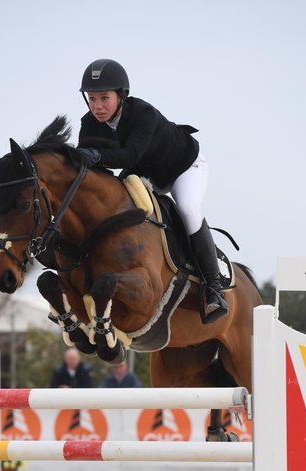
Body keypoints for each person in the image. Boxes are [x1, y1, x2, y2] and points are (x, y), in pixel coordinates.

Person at [77, 58, 228, 324]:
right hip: (145, 172)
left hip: (183, 167)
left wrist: (97, 154)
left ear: (121, 96)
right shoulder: (89, 123)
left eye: (104, 98)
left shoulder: (143, 114)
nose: (98, 106)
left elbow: (130, 155)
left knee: (188, 209)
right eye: (92, 98)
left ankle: (213, 288)